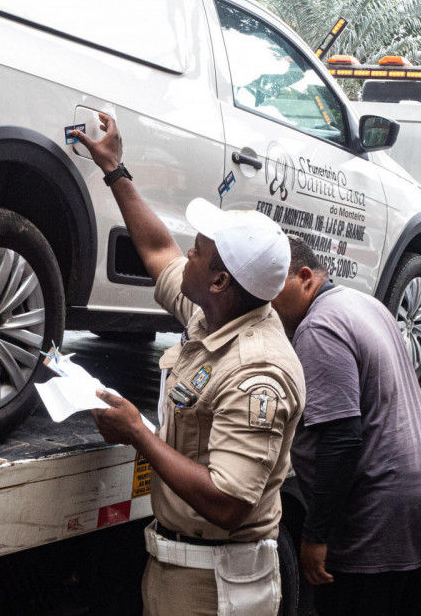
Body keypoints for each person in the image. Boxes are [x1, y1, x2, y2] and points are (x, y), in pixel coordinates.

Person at [73, 113, 305, 616]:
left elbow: (227, 502)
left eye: (198, 253)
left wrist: (139, 433)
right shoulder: (214, 311)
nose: (188, 257)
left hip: (217, 585)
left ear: (220, 281)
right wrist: (116, 170)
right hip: (183, 566)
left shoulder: (256, 374)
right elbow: (158, 251)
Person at [270, 235, 421, 616]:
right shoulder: (366, 304)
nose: (267, 307)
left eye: (272, 292)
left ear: (305, 277)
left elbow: (341, 439)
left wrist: (314, 535)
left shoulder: (319, 327)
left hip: (382, 524)